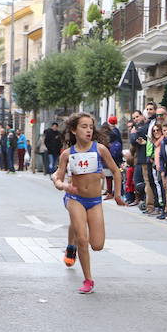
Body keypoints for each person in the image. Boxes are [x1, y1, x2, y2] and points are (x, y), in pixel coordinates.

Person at [52, 113, 124, 293]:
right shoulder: (67, 154)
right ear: (74, 130)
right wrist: (63, 185)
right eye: (84, 126)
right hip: (75, 199)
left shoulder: (100, 149)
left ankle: (72, 240)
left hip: (94, 201)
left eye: (91, 126)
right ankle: (88, 280)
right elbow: (58, 178)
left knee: (97, 245)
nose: (88, 130)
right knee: (83, 238)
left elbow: (116, 172)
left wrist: (116, 194)